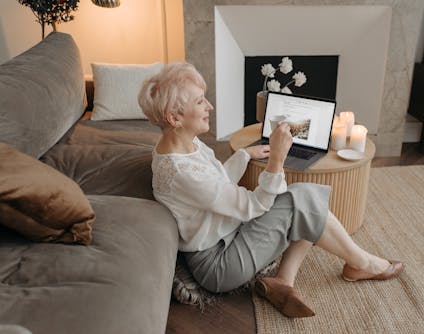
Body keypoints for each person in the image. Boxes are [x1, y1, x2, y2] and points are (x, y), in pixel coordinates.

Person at [138, 62, 404, 318]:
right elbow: (252, 205)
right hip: (219, 264)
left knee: (303, 201)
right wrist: (277, 158)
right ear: (174, 117)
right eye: (199, 101)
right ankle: (362, 264)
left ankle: (282, 281)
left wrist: (243, 155)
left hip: (225, 236)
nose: (210, 106)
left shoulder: (182, 145)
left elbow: (214, 185)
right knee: (301, 199)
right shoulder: (182, 172)